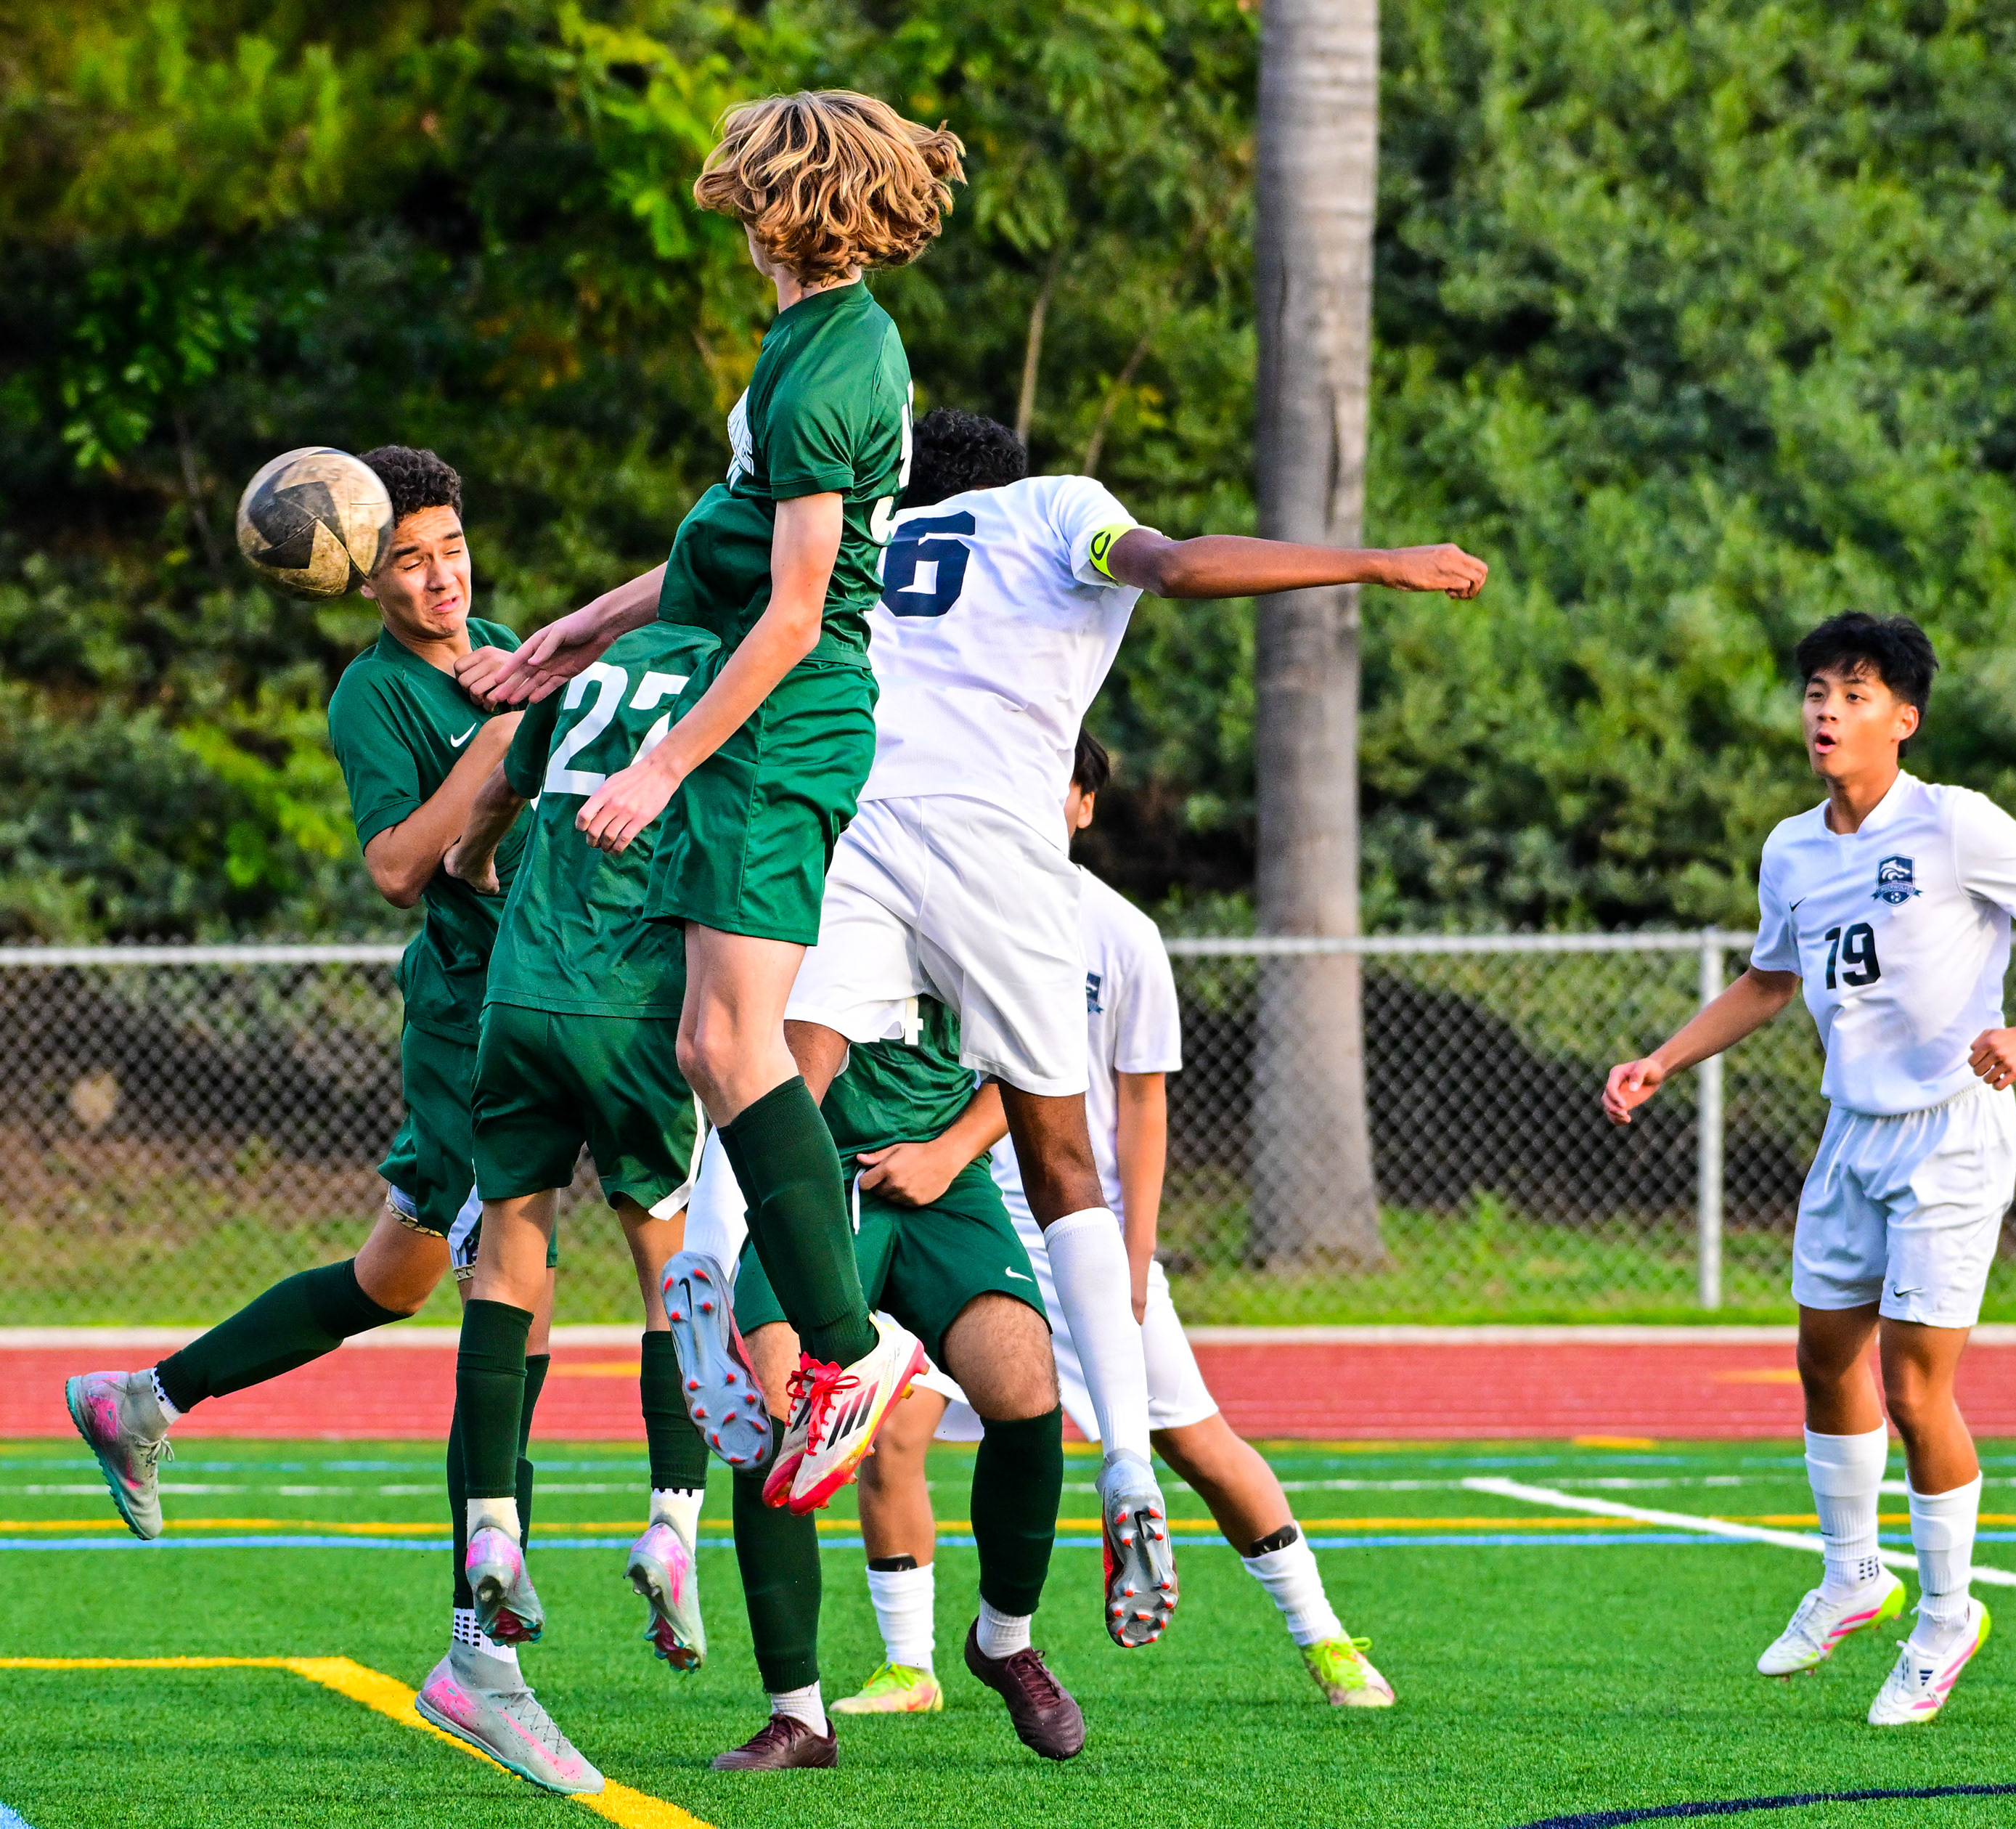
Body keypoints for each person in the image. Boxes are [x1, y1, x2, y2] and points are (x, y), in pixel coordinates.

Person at [666, 407, 1488, 1653]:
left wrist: (576, 631)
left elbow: (712, 582)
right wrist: (1377, 562)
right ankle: (1129, 1469)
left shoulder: (868, 531)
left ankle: (712, 1267)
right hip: (993, 843)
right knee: (1061, 1161)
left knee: (768, 1065)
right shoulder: (1054, 505)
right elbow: (1182, 565)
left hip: (861, 831)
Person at [463, 91, 968, 1513]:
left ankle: (850, 1348)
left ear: (791, 205)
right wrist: (589, 622)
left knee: (733, 1039)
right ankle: (814, 1328)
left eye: (749, 191)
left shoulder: (832, 366)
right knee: (709, 1040)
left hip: (778, 725)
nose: (735, 213)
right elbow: (729, 552)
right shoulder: (809, 340)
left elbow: (799, 611)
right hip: (753, 711)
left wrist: (664, 759)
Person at [65, 446, 553, 1695]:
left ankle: (142, 1398)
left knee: (392, 1278)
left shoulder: (504, 646)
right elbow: (396, 866)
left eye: (451, 548)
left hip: (538, 998)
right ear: (361, 577)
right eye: (410, 559)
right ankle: (482, 1652)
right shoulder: (371, 696)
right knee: (519, 1295)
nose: (440, 577)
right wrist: (498, 746)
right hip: (468, 1018)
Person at [1601, 612, 2016, 1728]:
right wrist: (1664, 1058)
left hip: (1952, 1132)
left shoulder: (1954, 820)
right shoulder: (1792, 847)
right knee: (1824, 1354)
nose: (1827, 710)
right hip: (1853, 1131)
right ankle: (1853, 1575)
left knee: (1917, 1388)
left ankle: (1947, 1615)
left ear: (1904, 718)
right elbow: (1769, 980)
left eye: (1855, 692)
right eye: (1816, 691)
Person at [834, 733, 1394, 1716]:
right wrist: (941, 1161)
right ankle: (909, 1663)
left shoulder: (1120, 933)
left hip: (1084, 1236)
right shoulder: (933, 894)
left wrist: (1135, 1255)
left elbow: (1140, 1104)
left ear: (1085, 804)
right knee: (895, 1432)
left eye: (1056, 782)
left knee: (1197, 1441)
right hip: (964, 1224)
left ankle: (1326, 1636)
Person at [412, 619, 727, 1793]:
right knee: (669, 1273)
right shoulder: (740, 674)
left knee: (508, 1265)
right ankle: (673, 1523)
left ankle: (492, 1520)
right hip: (634, 1005)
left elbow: (494, 797)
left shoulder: (596, 667)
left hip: (522, 993)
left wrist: (471, 865)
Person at [698, 998, 1074, 1771]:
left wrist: (948, 1149)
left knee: (1024, 1381)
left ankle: (1004, 1639)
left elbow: (1034, 1050)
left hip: (949, 1176)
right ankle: (798, 1714)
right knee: (770, 1412)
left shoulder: (997, 919)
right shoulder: (812, 913)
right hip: (809, 1172)